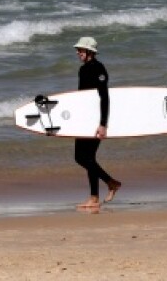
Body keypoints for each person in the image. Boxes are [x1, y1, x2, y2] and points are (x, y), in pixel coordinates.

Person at [72, 36, 121, 211]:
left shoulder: (99, 69)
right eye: (77, 50)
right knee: (81, 157)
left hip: (96, 120)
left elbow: (104, 97)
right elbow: (83, 97)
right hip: (84, 119)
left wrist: (103, 124)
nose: (77, 52)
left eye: (80, 50)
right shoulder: (83, 69)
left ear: (89, 51)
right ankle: (101, 191)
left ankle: (108, 186)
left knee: (85, 157)